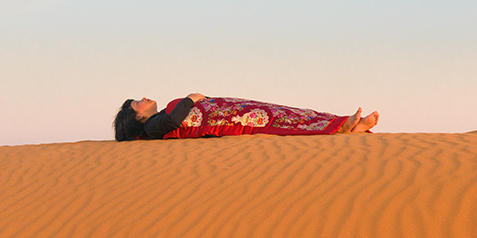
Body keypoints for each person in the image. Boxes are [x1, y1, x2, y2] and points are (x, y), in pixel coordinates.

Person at [113, 93, 379, 141]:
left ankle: (343, 124)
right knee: (281, 119)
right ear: (135, 118)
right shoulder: (152, 127)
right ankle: (342, 126)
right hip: (236, 120)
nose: (144, 98)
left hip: (235, 112)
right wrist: (190, 99)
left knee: (286, 113)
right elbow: (172, 123)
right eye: (138, 102)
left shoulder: (156, 120)